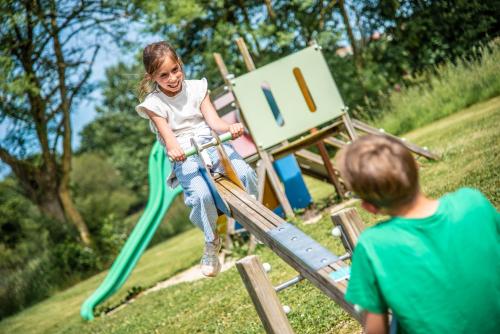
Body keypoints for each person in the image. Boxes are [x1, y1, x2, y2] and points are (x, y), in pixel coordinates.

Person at [335, 134, 500, 334]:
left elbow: (376, 330)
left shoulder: (372, 246)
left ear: (369, 206)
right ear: (416, 168)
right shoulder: (473, 203)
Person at [135, 41, 258, 277]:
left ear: (180, 65)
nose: (172, 78)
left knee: (244, 172)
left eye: (175, 70)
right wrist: (174, 150)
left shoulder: (197, 88)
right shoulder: (153, 104)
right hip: (183, 149)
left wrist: (229, 128)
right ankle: (211, 240)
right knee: (200, 195)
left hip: (209, 140)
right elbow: (167, 135)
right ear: (152, 77)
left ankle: (255, 212)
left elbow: (214, 122)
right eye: (164, 75)